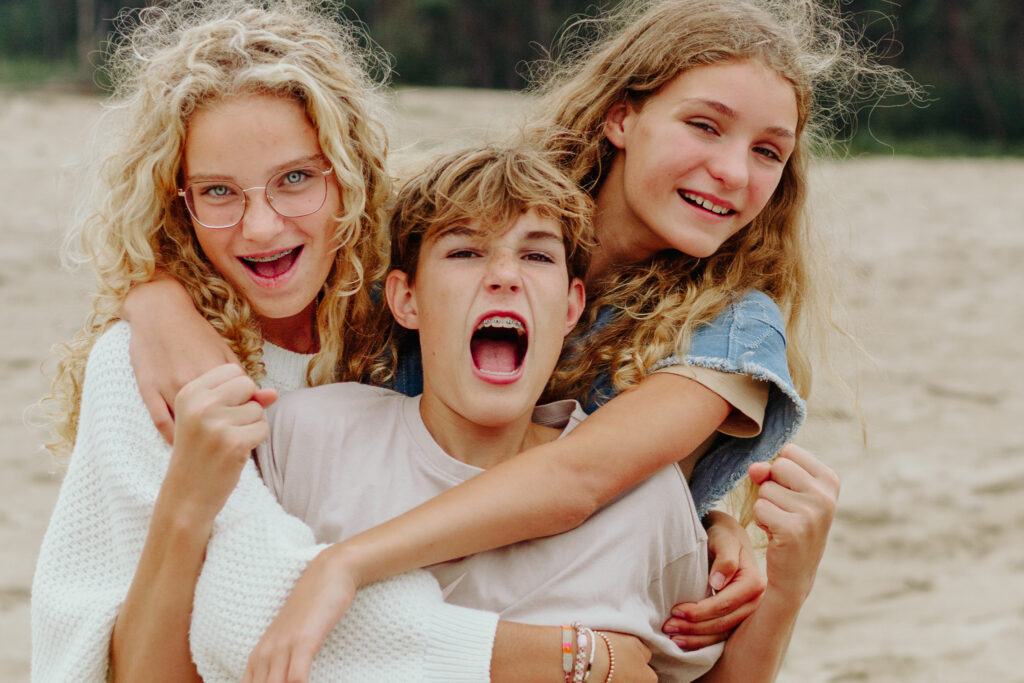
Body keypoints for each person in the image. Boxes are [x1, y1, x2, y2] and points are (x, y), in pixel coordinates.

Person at [241, 0, 916, 679]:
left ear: (570, 305)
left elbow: (579, 477)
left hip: (520, 597)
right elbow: (242, 271)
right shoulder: (477, 208)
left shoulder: (728, 328)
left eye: (768, 151)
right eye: (704, 126)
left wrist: (710, 536)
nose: (734, 172)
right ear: (621, 115)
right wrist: (157, 310)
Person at [29, 2, 656, 681]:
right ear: (175, 201)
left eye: (296, 178)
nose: (262, 227)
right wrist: (568, 659)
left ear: (349, 170)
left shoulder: (407, 320)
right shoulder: (145, 370)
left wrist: (718, 526)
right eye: (218, 191)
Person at [250, 144, 722, 682]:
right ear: (407, 299)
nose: (504, 275)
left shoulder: (646, 501)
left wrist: (785, 585)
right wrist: (576, 659)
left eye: (537, 255)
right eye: (465, 252)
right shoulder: (302, 438)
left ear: (570, 307)